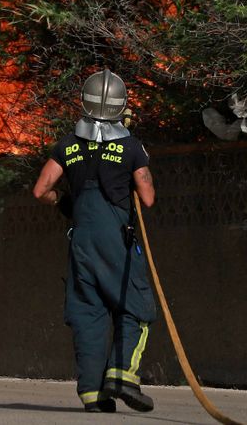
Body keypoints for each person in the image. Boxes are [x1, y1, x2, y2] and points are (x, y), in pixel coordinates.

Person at [32, 68, 158, 413]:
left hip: (82, 243)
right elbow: (147, 198)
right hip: (116, 241)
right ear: (122, 106)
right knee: (137, 305)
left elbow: (41, 190)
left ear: (84, 103)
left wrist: (63, 201)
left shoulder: (68, 146)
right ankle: (122, 376)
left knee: (88, 313)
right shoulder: (131, 146)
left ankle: (92, 393)